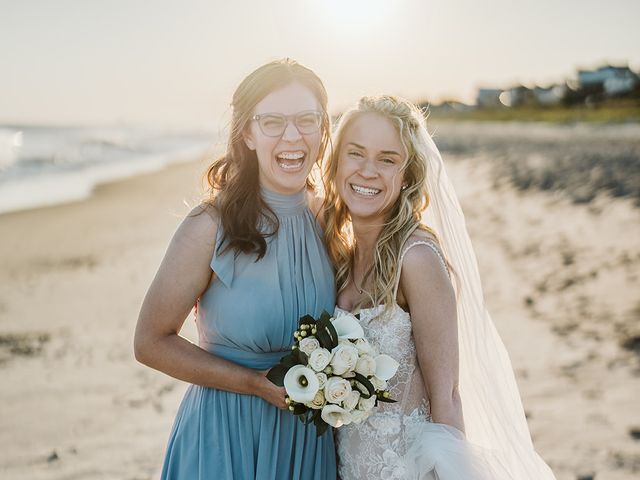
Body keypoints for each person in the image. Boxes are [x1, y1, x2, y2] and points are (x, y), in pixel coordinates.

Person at [322, 95, 556, 479]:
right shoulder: (340, 258)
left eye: (387, 159)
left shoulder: (416, 258)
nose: (367, 171)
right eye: (356, 153)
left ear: (407, 176)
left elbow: (446, 397)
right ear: (335, 163)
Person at [134, 58, 337, 479]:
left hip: (306, 440)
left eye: (306, 120)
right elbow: (150, 342)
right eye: (273, 122)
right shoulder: (209, 225)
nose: (292, 136)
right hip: (225, 435)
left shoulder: (330, 222)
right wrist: (255, 384)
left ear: (322, 128)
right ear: (247, 132)